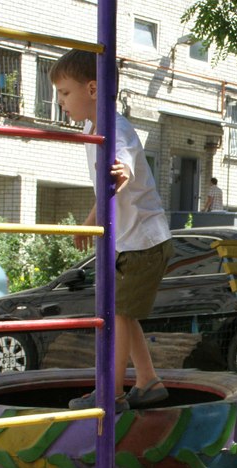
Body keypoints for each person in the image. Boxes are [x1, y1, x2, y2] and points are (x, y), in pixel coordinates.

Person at [50, 49, 174, 413]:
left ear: (92, 89)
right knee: (124, 312)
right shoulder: (91, 129)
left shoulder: (114, 127)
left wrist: (120, 174)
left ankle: (113, 391)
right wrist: (91, 221)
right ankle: (148, 380)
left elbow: (123, 166)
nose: (61, 101)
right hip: (128, 240)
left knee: (117, 313)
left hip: (145, 242)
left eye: (65, 92)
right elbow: (102, 187)